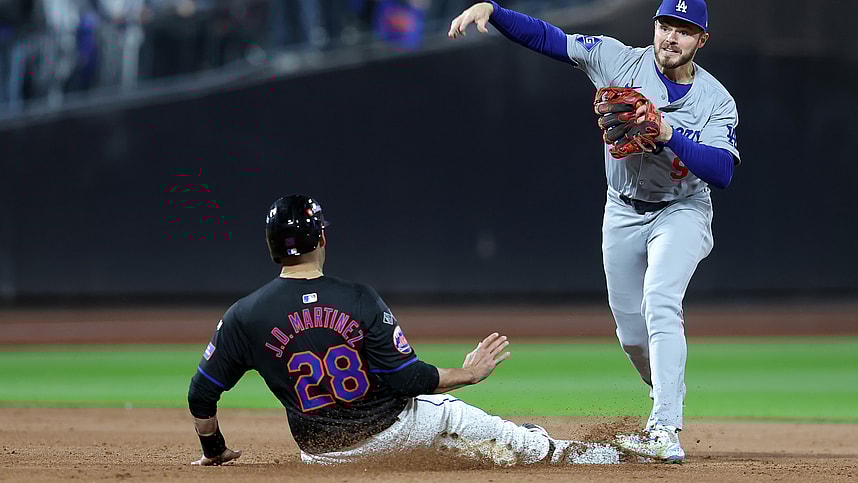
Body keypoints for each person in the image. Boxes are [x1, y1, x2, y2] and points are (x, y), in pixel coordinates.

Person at [448, 0, 740, 463]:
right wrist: (495, 11)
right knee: (631, 335)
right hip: (622, 210)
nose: (671, 37)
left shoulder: (716, 100)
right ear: (654, 25)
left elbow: (721, 170)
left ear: (701, 40)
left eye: (684, 30)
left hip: (682, 210)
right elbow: (549, 39)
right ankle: (666, 389)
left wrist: (666, 133)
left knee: (660, 299)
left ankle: (664, 427)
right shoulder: (618, 59)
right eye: (666, 25)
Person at [187, 194, 624, 467]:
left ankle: (487, 448)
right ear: (322, 239)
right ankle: (588, 455)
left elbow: (200, 396)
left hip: (323, 457)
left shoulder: (243, 315)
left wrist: (214, 450)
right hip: (391, 432)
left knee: (443, 434)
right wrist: (468, 372)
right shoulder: (357, 298)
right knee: (457, 417)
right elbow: (408, 380)